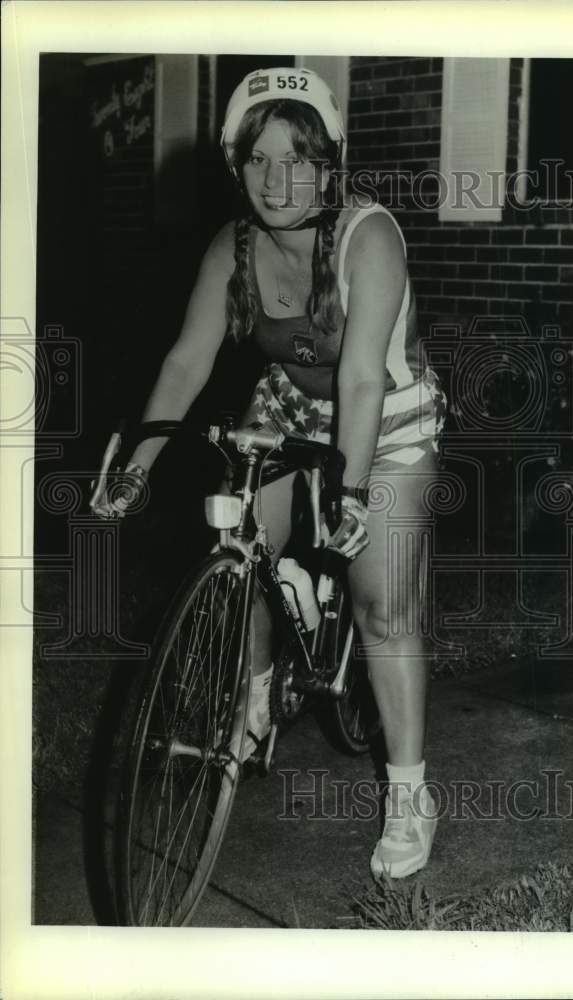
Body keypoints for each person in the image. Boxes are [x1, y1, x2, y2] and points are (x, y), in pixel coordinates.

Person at [92, 67, 446, 879]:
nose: (278, 179)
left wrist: (348, 496)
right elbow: (185, 361)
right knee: (237, 540)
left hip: (384, 422)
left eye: (298, 157)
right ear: (235, 165)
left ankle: (407, 795)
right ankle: (250, 702)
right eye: (257, 158)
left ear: (330, 163)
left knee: (381, 605)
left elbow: (361, 380)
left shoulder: (370, 238)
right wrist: (138, 468)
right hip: (287, 408)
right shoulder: (232, 245)